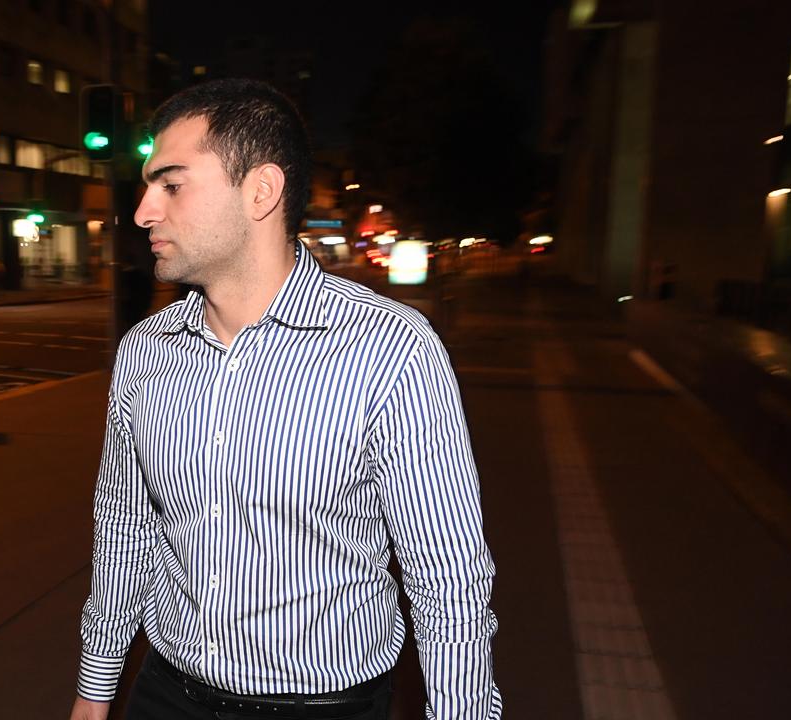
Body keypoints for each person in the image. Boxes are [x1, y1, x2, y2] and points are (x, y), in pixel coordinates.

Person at [71, 79, 501, 720]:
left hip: (323, 707)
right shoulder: (144, 351)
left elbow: (449, 586)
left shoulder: (390, 349)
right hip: (165, 692)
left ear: (261, 191)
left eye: (171, 184)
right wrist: (94, 693)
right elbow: (125, 531)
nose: (142, 212)